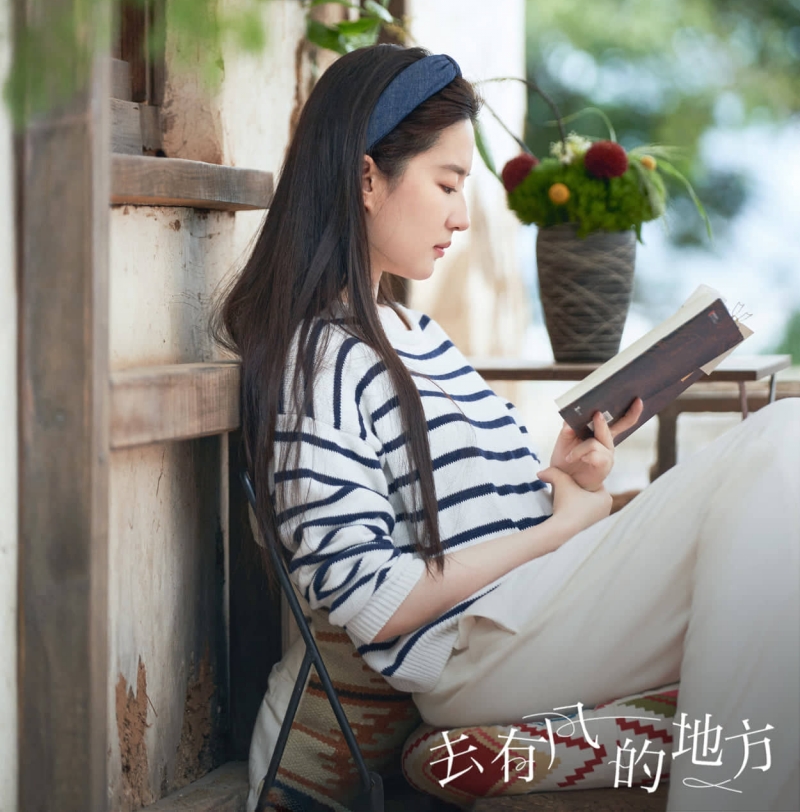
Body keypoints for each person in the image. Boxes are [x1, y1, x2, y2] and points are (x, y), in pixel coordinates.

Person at [213, 44, 799, 812]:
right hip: (479, 654)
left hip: (538, 612)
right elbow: (374, 602)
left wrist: (564, 480)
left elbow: (480, 512)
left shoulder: (415, 334)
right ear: (365, 178)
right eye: (448, 183)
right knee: (779, 439)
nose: (463, 214)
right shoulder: (316, 359)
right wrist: (559, 531)